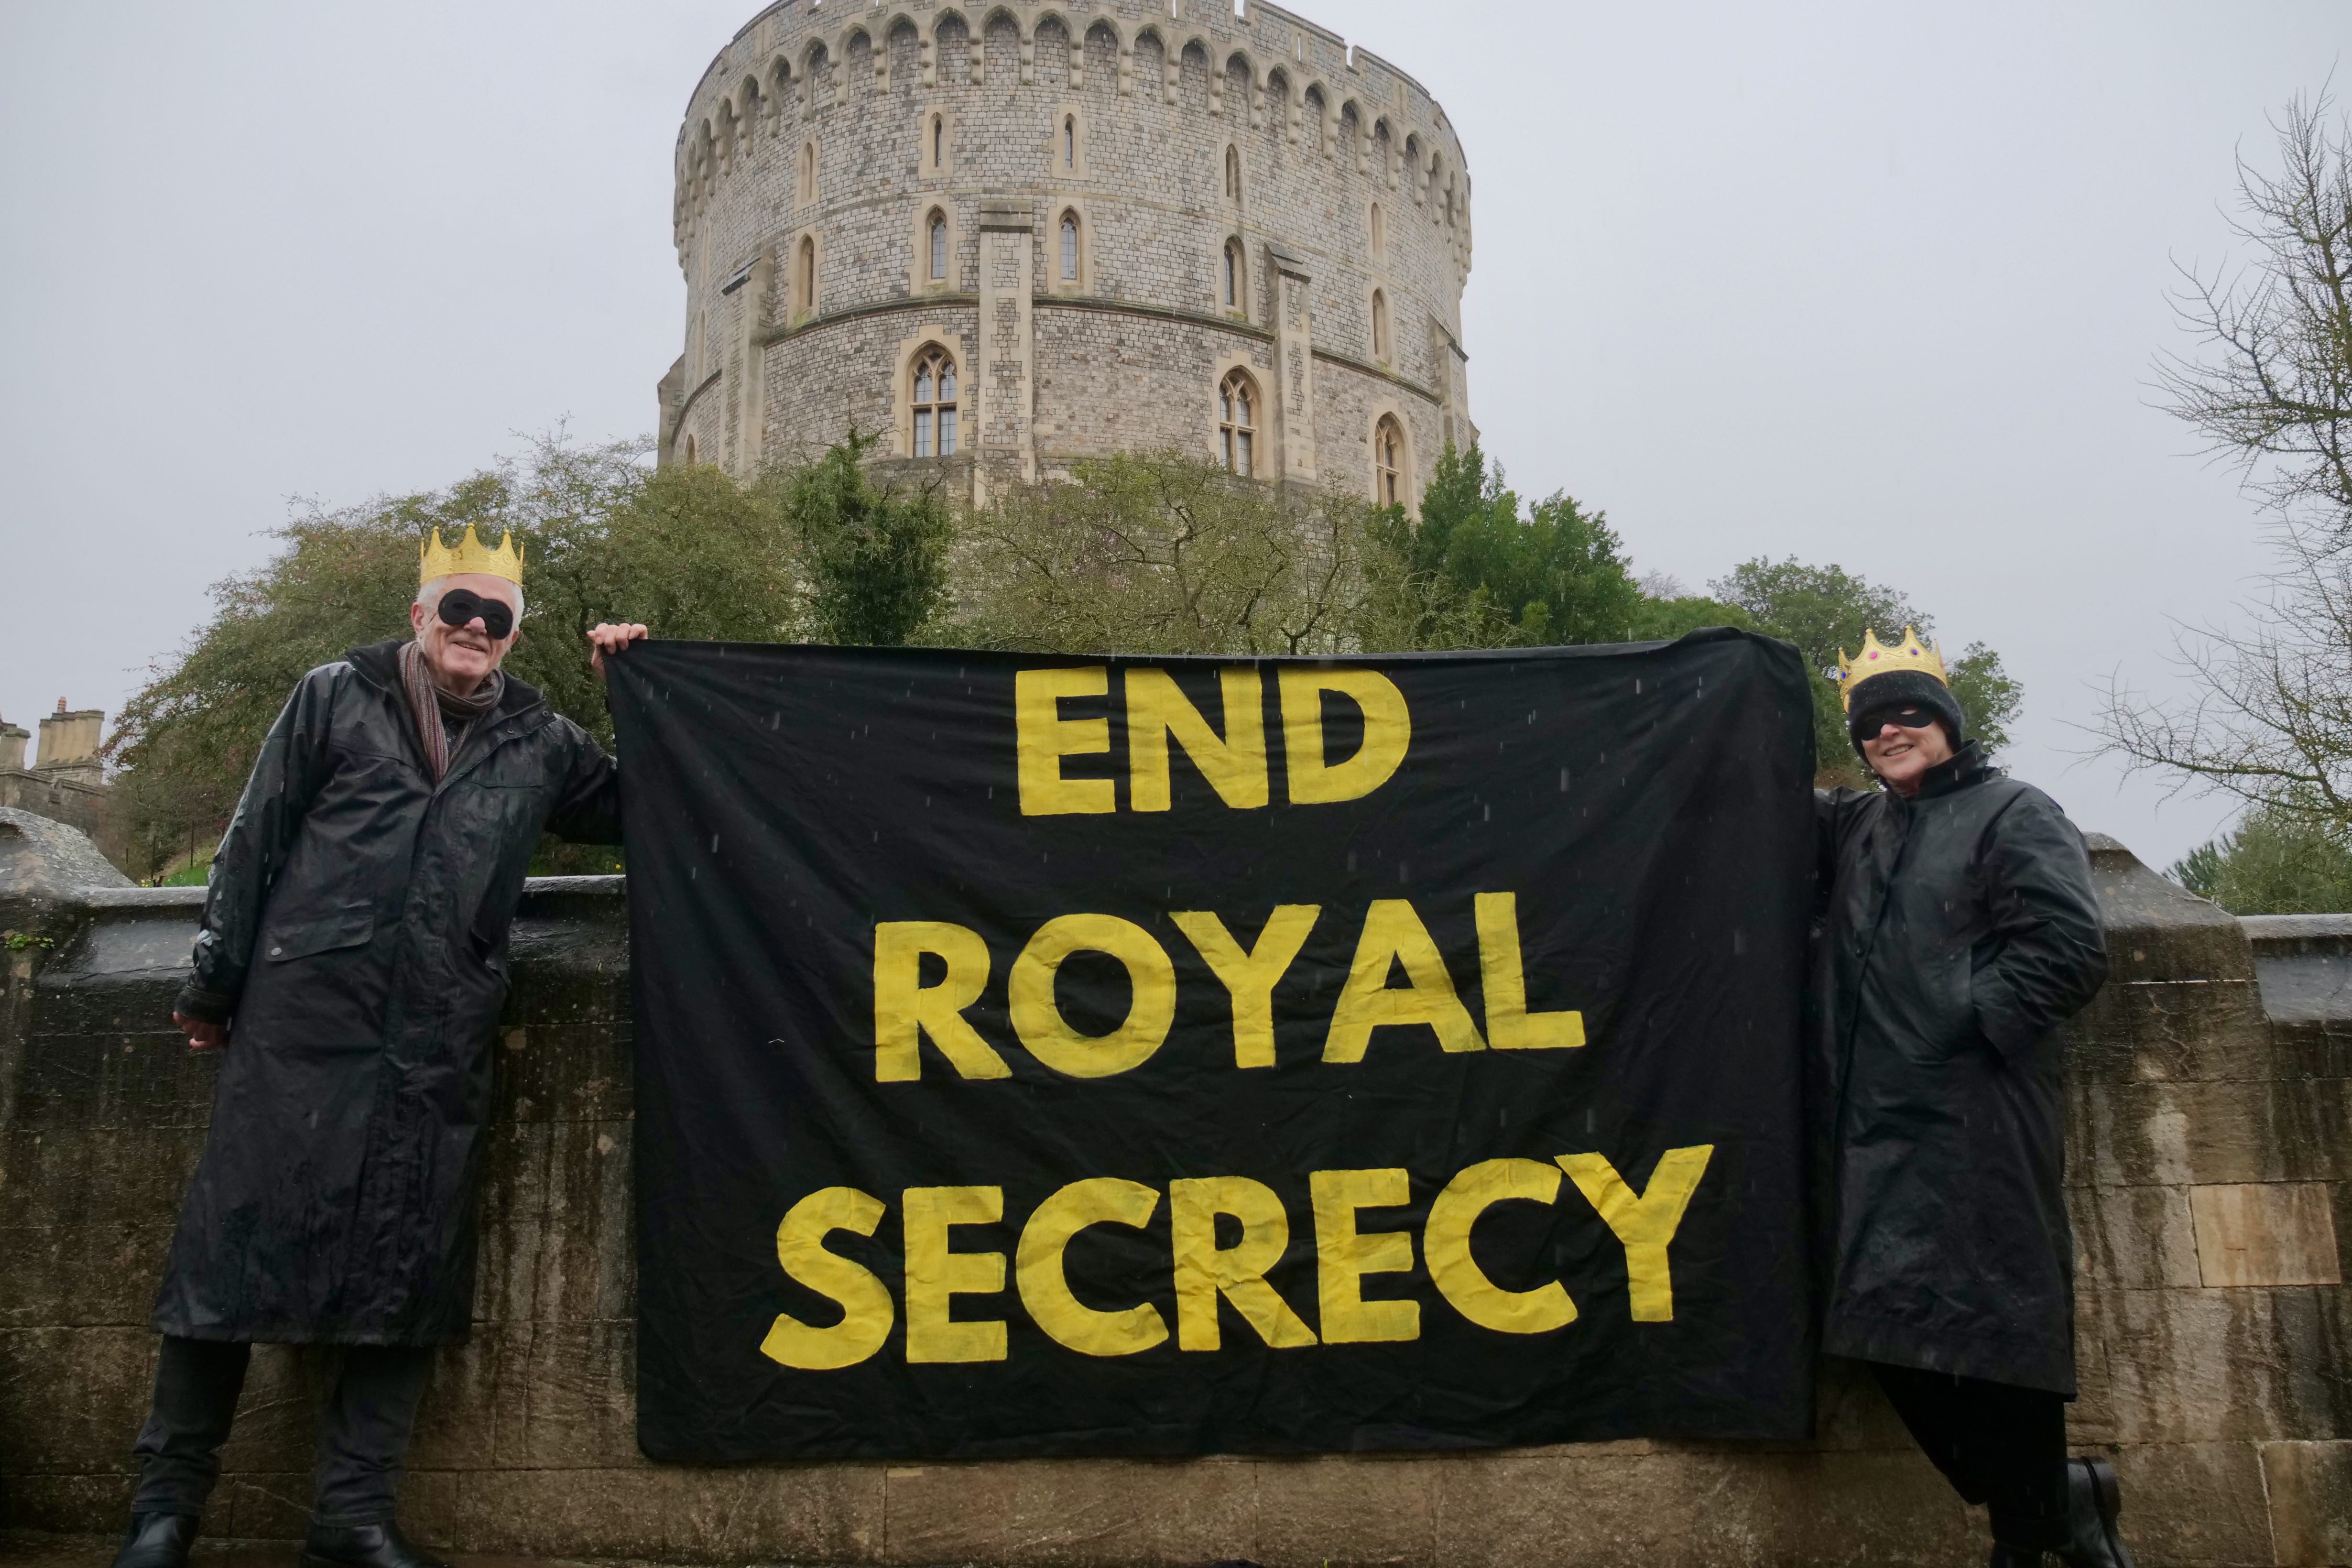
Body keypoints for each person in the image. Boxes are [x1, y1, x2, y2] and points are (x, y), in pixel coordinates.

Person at [113, 527, 650, 1568]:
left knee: (402, 1270)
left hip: (435, 1035)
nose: (474, 628)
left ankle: (351, 1518)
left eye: (496, 617)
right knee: (227, 1261)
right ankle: (163, 1510)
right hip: (302, 1018)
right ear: (420, 614)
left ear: (513, 634)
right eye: (458, 606)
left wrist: (634, 684)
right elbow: (256, 834)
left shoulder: (540, 740)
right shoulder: (334, 694)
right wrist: (213, 981)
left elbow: (642, 804)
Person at [1815, 629, 2128, 1568]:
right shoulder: (1863, 828)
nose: (1891, 729)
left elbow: (2070, 947)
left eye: (1910, 711)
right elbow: (1753, 807)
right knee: (1877, 1329)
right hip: (1877, 1132)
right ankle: (2059, 1502)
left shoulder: (2013, 811)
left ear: (1947, 722)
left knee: (1998, 1333)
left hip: (1982, 1119)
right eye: (1872, 720)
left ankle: (2029, 1537)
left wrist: (1960, 1023)